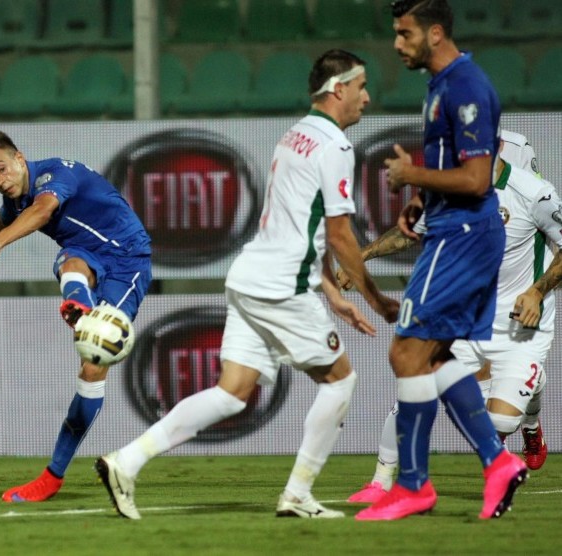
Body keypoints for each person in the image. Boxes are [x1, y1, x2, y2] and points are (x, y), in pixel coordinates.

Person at [94, 49, 399, 520]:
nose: (367, 97)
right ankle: (297, 494)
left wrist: (334, 294)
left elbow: (295, 225)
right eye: (361, 88)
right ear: (340, 88)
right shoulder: (336, 146)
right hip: (280, 287)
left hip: (249, 275)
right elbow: (338, 234)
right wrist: (377, 299)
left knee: (232, 392)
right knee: (341, 379)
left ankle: (126, 462)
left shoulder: (294, 135)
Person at [354, 0, 527, 521]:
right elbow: (455, 165)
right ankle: (497, 464)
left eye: (404, 33)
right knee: (430, 357)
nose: (396, 43)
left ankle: (413, 485)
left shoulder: (466, 86)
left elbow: (477, 180)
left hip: (463, 236)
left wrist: (413, 178)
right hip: (455, 228)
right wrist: (421, 200)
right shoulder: (440, 86)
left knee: (406, 354)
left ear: (433, 33)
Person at [343, 132, 555, 504]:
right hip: (466, 317)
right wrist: (362, 256)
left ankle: (530, 421)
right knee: (412, 387)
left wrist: (538, 290)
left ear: (498, 147)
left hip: (521, 324)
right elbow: (411, 233)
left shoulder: (533, 192)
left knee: (501, 423)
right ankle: (379, 482)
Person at [0, 130, 152, 503]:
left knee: (92, 371)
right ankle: (81, 307)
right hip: (84, 254)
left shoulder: (56, 173)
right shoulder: (16, 200)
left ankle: (53, 474)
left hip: (127, 261)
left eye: (2, 169)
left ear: (20, 158)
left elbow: (41, 212)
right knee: (69, 260)